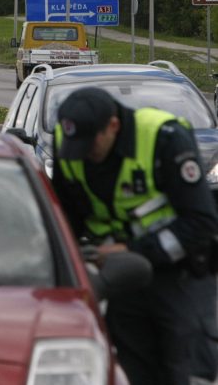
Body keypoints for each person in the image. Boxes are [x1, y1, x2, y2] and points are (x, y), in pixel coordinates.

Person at [51, 86, 218, 385]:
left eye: (91, 145)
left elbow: (201, 223)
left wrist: (131, 250)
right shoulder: (70, 143)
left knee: (187, 372)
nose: (85, 155)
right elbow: (66, 218)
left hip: (181, 277)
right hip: (124, 281)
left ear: (113, 126)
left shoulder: (163, 139)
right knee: (131, 373)